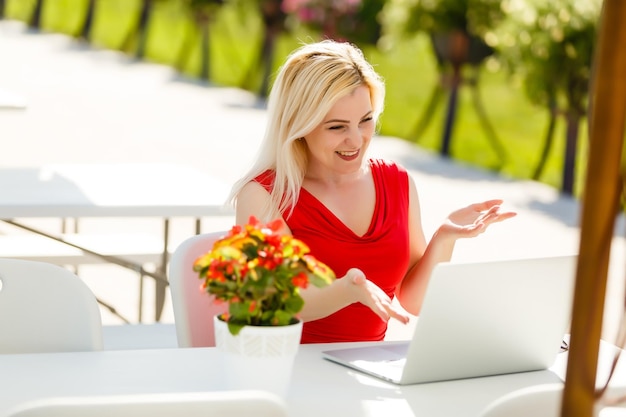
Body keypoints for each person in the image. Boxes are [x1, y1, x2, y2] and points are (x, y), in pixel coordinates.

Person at [228, 40, 516, 343]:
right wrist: (346, 290)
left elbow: (413, 301)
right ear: (300, 125)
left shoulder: (396, 182)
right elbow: (277, 300)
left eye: (365, 121)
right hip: (288, 369)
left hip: (366, 372)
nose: (356, 141)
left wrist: (444, 237)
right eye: (337, 127)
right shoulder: (263, 195)